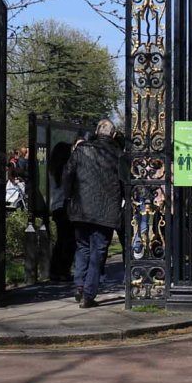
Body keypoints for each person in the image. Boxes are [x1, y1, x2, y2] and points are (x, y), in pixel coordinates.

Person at [60, 119, 127, 307]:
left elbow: (67, 175)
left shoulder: (81, 150)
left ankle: (80, 285)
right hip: (106, 211)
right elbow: (125, 183)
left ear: (97, 132)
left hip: (81, 208)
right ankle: (88, 294)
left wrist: (69, 196)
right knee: (98, 251)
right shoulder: (118, 155)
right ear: (113, 134)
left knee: (82, 247)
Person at [45, 140, 78, 287]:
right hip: (66, 206)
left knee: (61, 239)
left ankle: (55, 270)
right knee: (69, 240)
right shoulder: (66, 169)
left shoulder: (53, 170)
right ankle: (64, 270)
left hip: (56, 206)